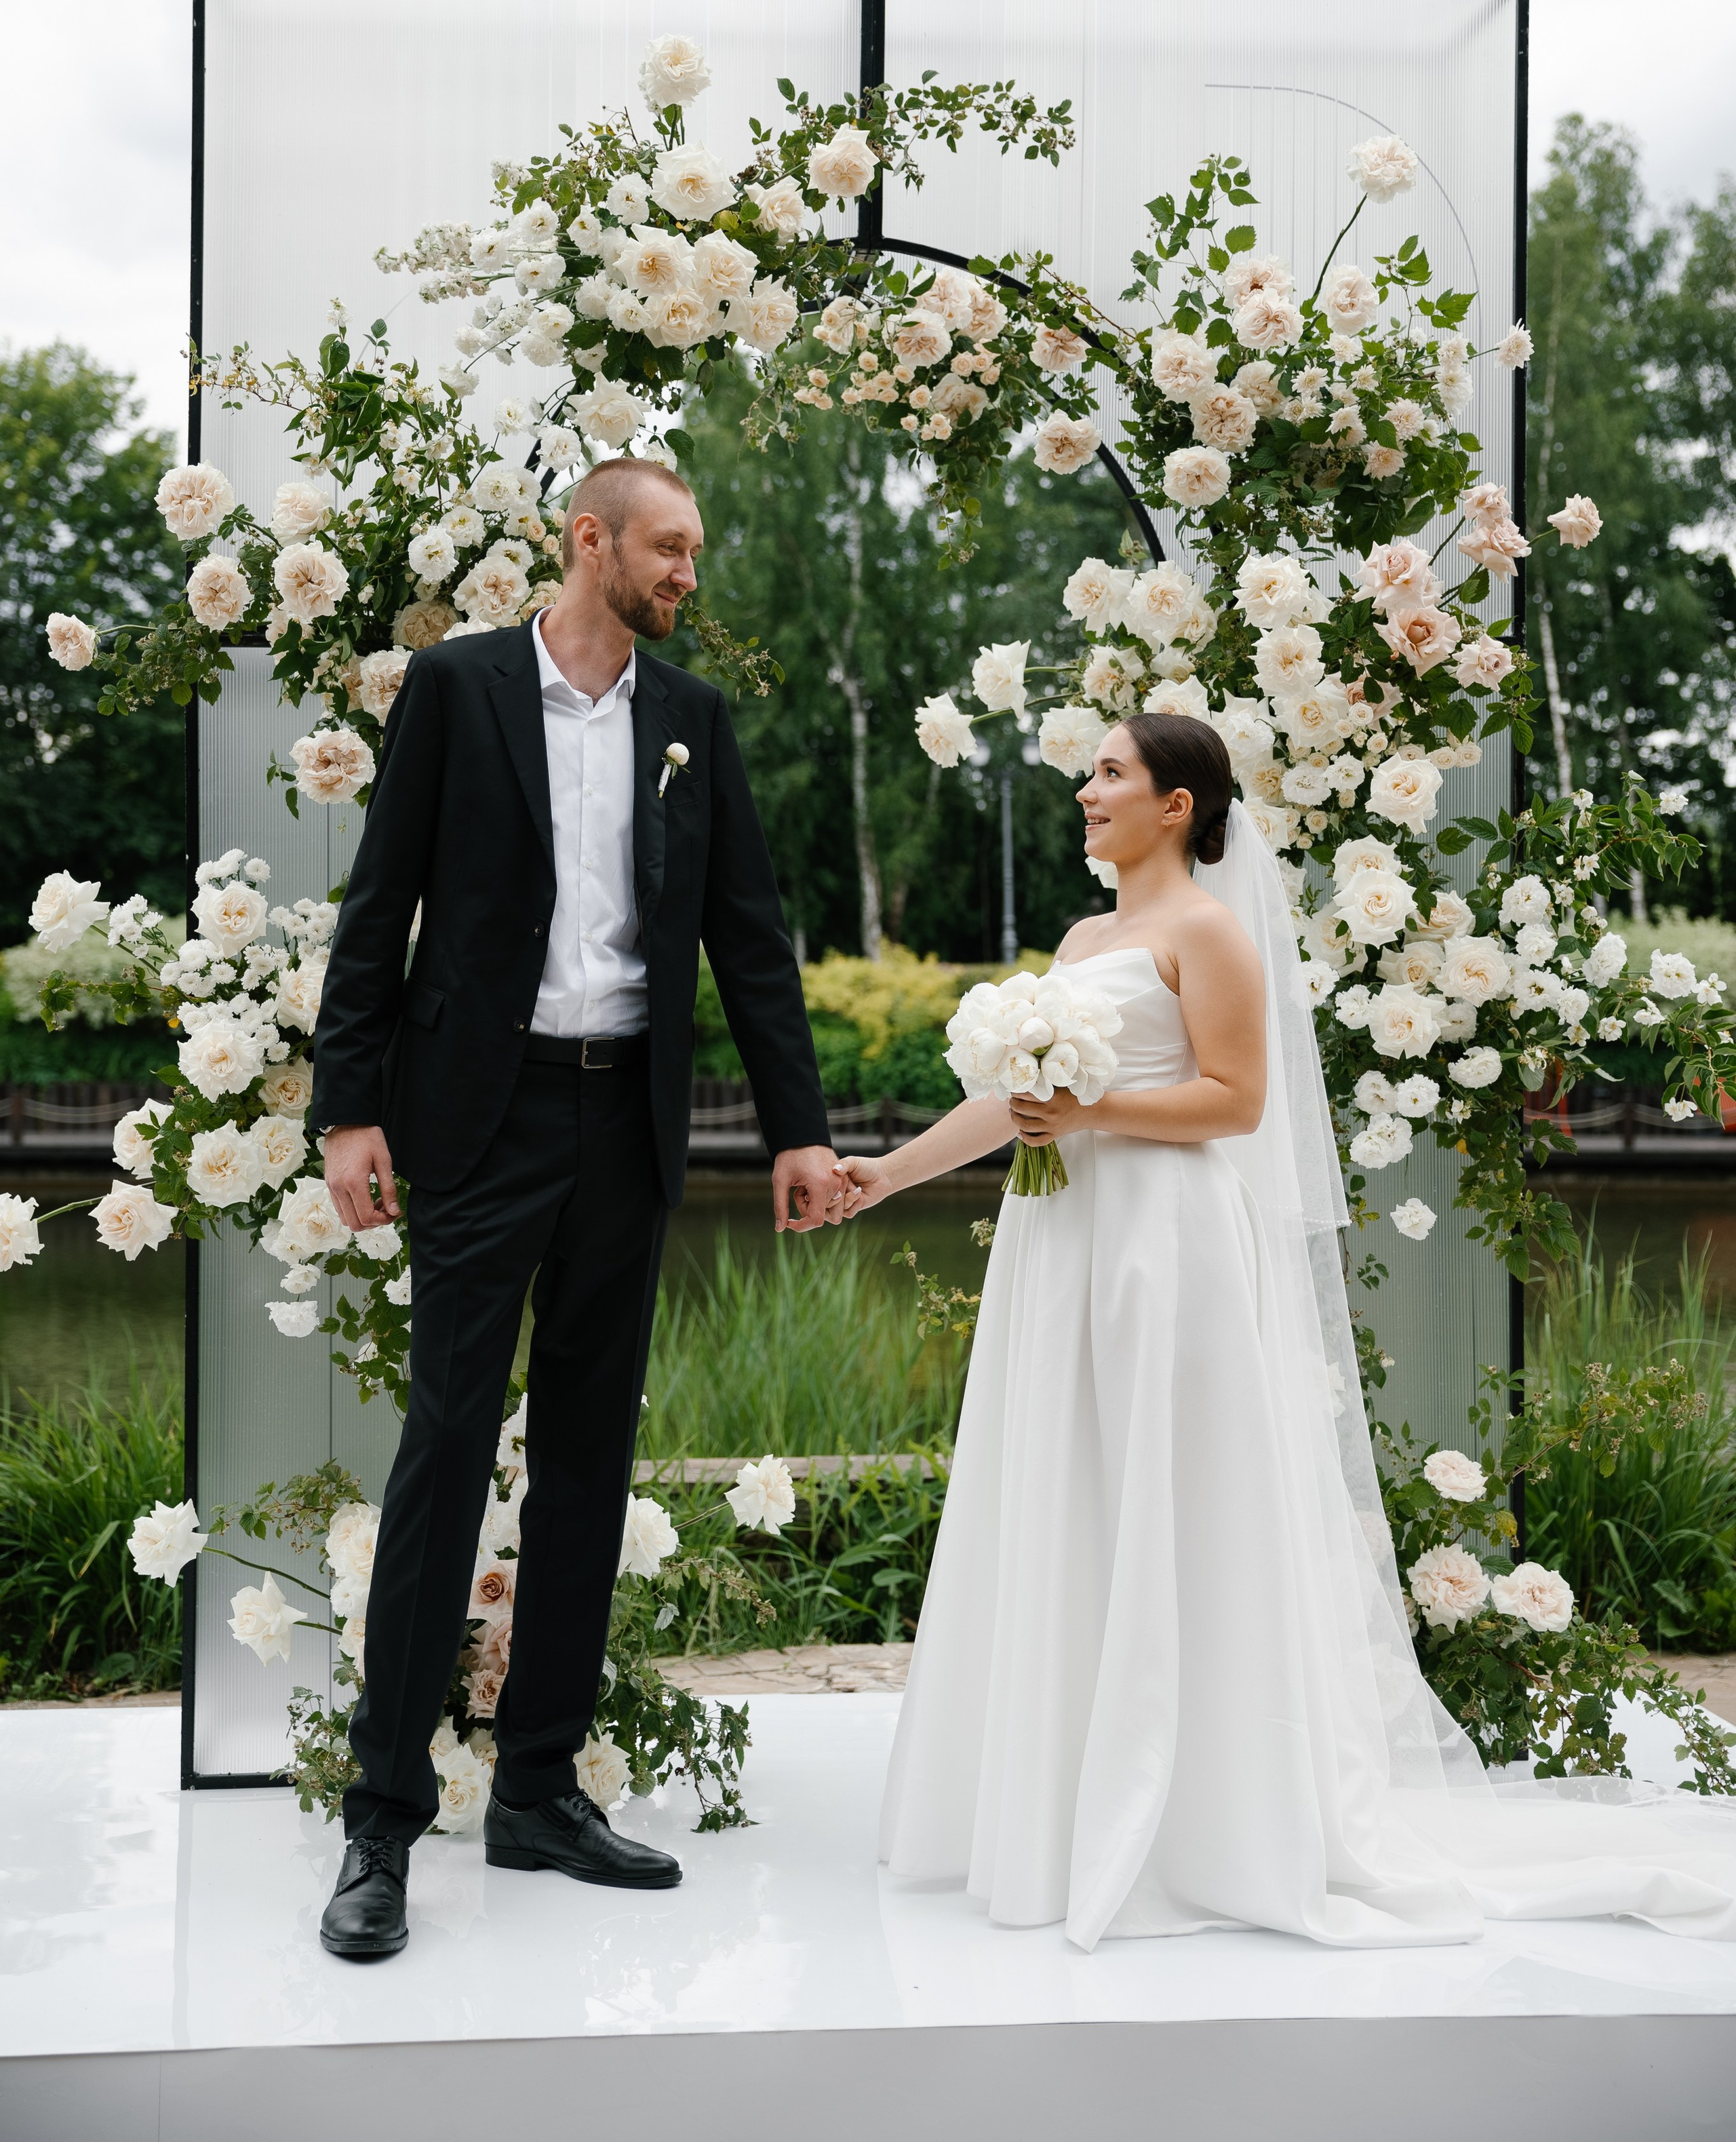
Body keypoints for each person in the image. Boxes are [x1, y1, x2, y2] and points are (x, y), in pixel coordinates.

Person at [839, 715, 1736, 1950]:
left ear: (1178, 806)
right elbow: (1014, 1097)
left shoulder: (1208, 930)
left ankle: (1203, 1812)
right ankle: (1057, 1795)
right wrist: (883, 1174)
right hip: (1069, 1247)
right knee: (1076, 1495)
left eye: (1112, 773)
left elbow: (1236, 1099)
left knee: (1178, 1499)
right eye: (1091, 771)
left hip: (1168, 1248)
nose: (1087, 790)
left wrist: (1091, 1108)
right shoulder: (1087, 936)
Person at [311, 459, 842, 1962]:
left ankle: (538, 1786)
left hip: (628, 1121)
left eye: (694, 547)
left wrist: (795, 1131)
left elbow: (749, 932)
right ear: (588, 540)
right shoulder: (458, 689)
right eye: (669, 544)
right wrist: (351, 1109)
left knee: (591, 1461)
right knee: (443, 1450)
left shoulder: (691, 721)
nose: (688, 569)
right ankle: (382, 1817)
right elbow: (381, 909)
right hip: (479, 1122)